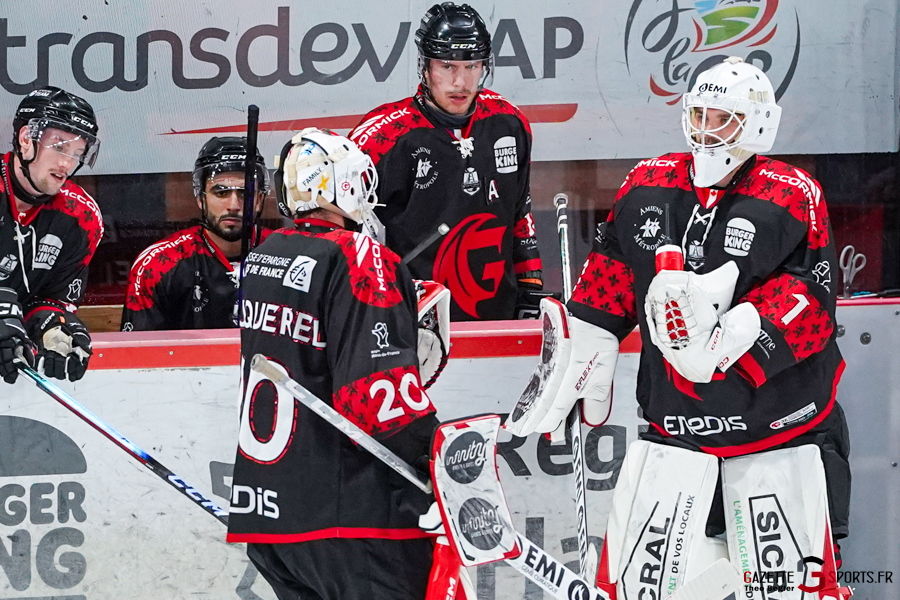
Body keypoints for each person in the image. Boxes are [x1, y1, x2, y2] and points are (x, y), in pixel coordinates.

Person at [511, 58, 849, 597]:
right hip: (676, 443)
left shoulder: (791, 192)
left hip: (778, 445)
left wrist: (734, 334)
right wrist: (587, 336)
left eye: (725, 118)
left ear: (760, 124)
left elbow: (812, 305)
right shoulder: (648, 183)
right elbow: (610, 283)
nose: (707, 130)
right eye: (700, 114)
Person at [226, 129, 444, 600]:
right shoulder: (363, 258)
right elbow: (377, 398)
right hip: (354, 521)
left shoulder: (262, 258)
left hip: (273, 521)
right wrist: (441, 459)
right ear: (341, 185)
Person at [350, 2, 545, 321]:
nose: (461, 82)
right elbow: (351, 241)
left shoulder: (508, 123)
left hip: (498, 323)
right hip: (414, 324)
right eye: (448, 66)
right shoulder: (381, 138)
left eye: (472, 66)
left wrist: (531, 289)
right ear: (425, 67)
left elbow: (519, 214)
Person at [0, 86, 102, 384]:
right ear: (26, 139)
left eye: (77, 153)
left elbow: (51, 300)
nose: (67, 164)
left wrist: (53, 325)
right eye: (59, 147)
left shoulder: (81, 218)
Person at [120, 137, 270, 331]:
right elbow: (139, 354)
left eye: (245, 193)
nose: (233, 205)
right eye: (221, 192)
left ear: (258, 199)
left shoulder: (287, 256)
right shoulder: (158, 264)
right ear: (201, 198)